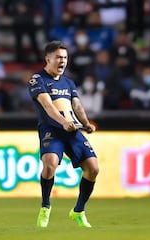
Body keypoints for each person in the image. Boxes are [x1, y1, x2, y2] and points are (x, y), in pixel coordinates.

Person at [28, 41, 99, 228]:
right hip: (52, 130)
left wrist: (85, 123)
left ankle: (78, 211)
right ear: (48, 58)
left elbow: (76, 105)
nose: (63, 61)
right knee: (50, 164)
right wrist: (63, 122)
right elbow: (47, 105)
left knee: (93, 168)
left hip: (73, 130)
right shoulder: (37, 79)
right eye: (59, 57)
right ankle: (45, 206)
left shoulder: (68, 82)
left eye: (65, 58)